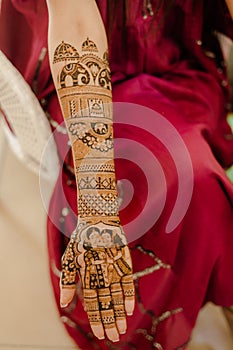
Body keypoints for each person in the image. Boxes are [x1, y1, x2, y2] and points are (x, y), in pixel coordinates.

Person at [1, 0, 233, 349]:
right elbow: (76, 25)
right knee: (177, 180)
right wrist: (98, 212)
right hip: (76, 59)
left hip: (174, 51)